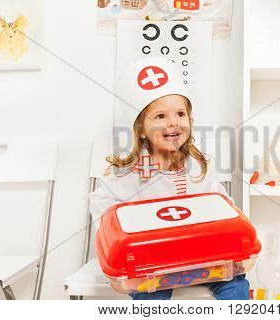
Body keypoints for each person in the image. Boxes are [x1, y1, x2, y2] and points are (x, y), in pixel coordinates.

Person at [89, 57, 249, 300]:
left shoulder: (198, 168)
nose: (173, 121)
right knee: (148, 295)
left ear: (190, 121)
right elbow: (104, 210)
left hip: (201, 259)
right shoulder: (128, 173)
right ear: (141, 129)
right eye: (160, 116)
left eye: (180, 114)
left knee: (236, 283)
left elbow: (222, 205)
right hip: (151, 264)